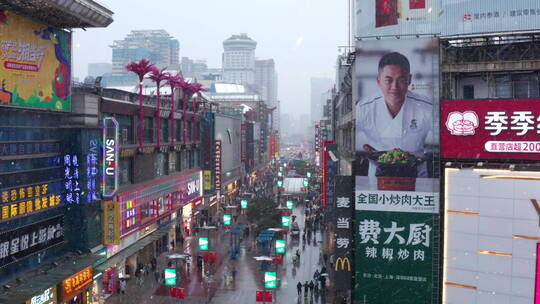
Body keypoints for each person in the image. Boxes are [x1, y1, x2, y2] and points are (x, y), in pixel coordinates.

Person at [356, 52, 433, 177]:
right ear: (378, 80)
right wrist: (362, 145)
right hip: (377, 181)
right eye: (388, 80)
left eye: (401, 80)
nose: (394, 87)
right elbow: (351, 136)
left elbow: (438, 140)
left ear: (409, 79)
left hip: (417, 180)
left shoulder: (426, 107)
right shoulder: (364, 108)